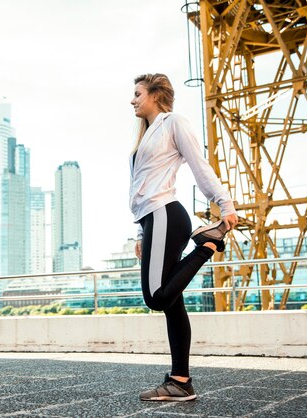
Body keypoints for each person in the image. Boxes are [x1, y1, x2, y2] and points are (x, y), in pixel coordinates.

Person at [129, 73, 238, 402]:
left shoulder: (172, 122)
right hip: (152, 219)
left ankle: (208, 243)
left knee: (156, 297)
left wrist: (225, 204)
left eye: (137, 93)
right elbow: (140, 186)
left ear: (154, 94)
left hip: (166, 214)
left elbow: (199, 164)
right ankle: (180, 382)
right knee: (172, 305)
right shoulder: (146, 135)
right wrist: (139, 230)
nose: (132, 100)